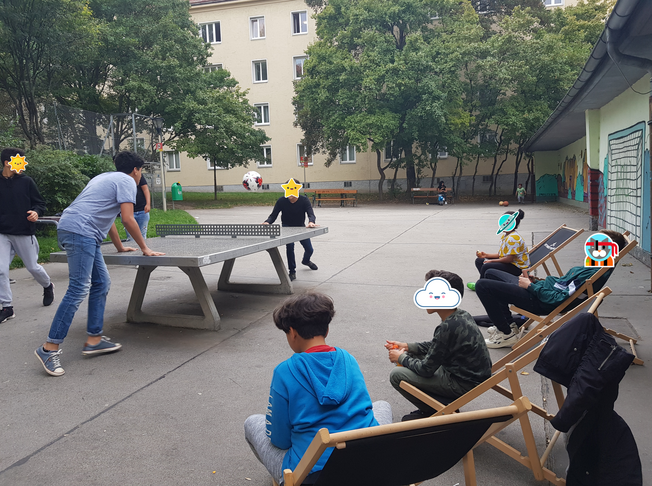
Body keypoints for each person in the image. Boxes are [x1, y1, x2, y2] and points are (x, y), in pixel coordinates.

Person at [34, 151, 165, 377]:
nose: (139, 175)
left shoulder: (103, 177)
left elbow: (109, 219)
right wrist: (145, 248)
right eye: (141, 171)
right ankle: (49, 348)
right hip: (80, 232)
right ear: (136, 170)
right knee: (78, 289)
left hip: (78, 229)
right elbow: (127, 218)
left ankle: (94, 339)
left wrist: (120, 246)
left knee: (101, 282)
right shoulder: (126, 181)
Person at [244, 292, 392, 484]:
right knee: (381, 405)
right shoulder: (349, 359)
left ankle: (284, 479)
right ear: (327, 330)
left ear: (293, 332)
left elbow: (279, 440)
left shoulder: (285, 371)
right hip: (365, 461)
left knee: (252, 422)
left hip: (311, 473)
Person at [475, 229, 626, 349]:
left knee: (482, 286)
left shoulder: (591, 274)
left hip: (539, 300)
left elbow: (559, 298)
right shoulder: (593, 266)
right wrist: (537, 282)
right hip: (538, 290)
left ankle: (506, 333)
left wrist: (531, 287)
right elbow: (560, 284)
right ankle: (508, 324)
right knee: (490, 272)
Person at [386, 270, 491, 421]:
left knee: (397, 375)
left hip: (462, 383)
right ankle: (440, 404)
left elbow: (426, 370)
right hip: (469, 375)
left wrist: (401, 357)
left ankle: (435, 411)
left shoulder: (447, 326)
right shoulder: (460, 315)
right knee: (411, 355)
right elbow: (437, 346)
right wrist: (406, 346)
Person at [0, 148, 55, 324]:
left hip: (23, 231)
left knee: (32, 267)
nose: (23, 164)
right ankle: (7, 307)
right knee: (0, 270)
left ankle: (47, 285)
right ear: (7, 162)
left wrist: (36, 212)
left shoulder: (27, 182)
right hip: (2, 232)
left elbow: (40, 203)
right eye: (19, 161)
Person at [263, 179, 318, 281]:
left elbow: (311, 213)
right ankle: (292, 271)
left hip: (300, 227)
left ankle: (306, 261)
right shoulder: (281, 201)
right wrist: (267, 222)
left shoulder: (304, 200)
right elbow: (273, 215)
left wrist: (311, 221)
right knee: (290, 248)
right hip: (287, 227)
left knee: (309, 249)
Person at [468, 209, 529, 290]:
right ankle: (487, 282)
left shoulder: (513, 238)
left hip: (516, 268)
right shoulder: (506, 236)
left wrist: (492, 261)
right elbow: (501, 255)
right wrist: (486, 255)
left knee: (487, 266)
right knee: (479, 260)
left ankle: (482, 285)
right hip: (510, 263)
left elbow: (508, 259)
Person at [124, 172, 151, 241]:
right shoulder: (122, 177)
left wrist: (148, 204)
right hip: (129, 212)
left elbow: (145, 189)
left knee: (142, 235)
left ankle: (144, 249)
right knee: (131, 237)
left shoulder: (138, 175)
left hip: (142, 210)